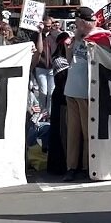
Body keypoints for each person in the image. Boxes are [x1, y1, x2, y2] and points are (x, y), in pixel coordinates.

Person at [62, 7, 111, 181]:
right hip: (73, 88)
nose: (75, 24)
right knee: (73, 132)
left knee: (87, 130)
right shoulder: (77, 37)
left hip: (87, 90)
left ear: (82, 22)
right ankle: (71, 166)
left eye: (77, 21)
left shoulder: (100, 36)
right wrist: (70, 47)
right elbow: (71, 61)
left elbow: (106, 60)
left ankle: (87, 165)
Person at [46, 31, 72, 176]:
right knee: (60, 132)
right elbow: (63, 79)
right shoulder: (58, 60)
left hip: (69, 99)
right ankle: (59, 165)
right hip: (60, 99)